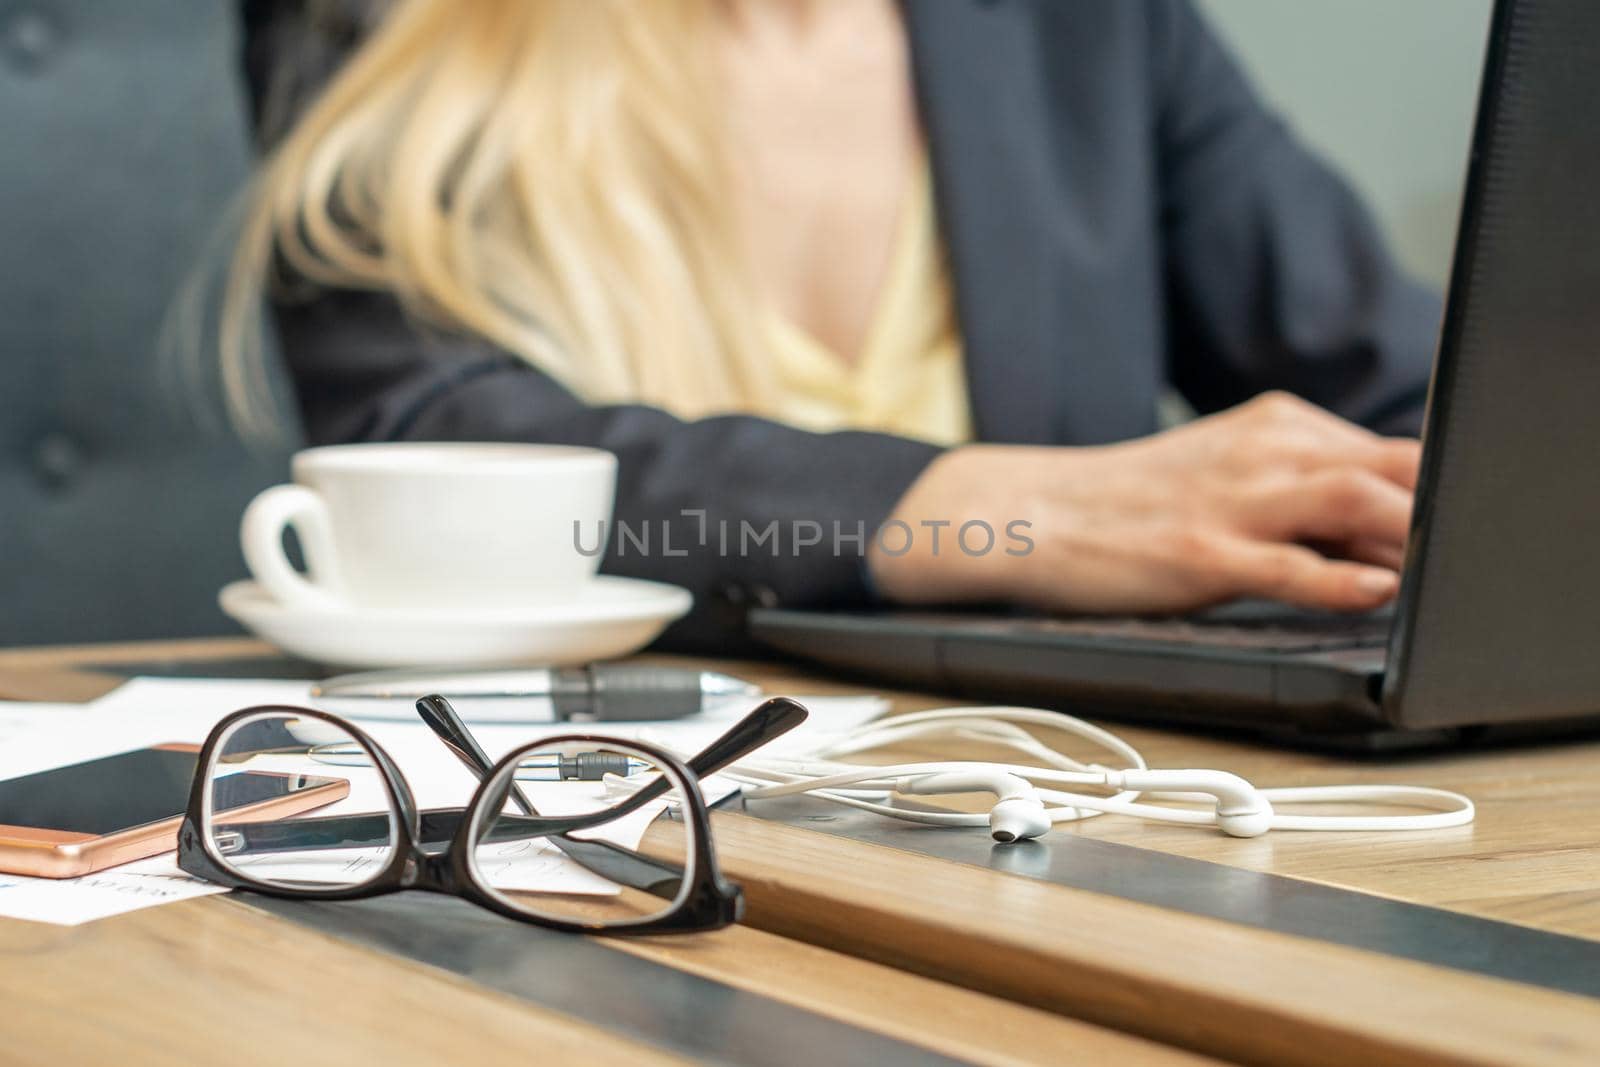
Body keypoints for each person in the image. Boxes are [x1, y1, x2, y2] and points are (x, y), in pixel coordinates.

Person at [229, 0, 1439, 652]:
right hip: (583, 832)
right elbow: (426, 440)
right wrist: (1008, 511)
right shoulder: (389, 26)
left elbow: (1412, 392)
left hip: (1052, 812)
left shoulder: (1093, 29)